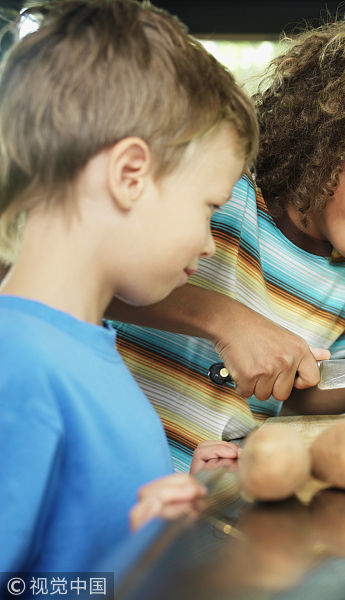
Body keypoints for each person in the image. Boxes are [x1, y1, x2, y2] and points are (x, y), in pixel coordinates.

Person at [109, 12, 345, 471]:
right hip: (112, 471)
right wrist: (226, 320)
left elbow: (303, 394)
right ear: (337, 132)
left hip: (204, 493)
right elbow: (96, 281)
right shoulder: (220, 197)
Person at [0, 0, 258, 572]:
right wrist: (127, 565)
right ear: (129, 175)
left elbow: (86, 535)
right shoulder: (16, 364)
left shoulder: (87, 345)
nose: (210, 243)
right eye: (207, 208)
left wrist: (181, 501)